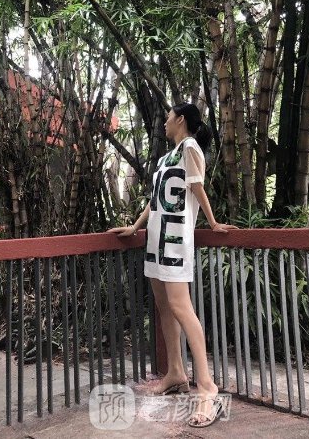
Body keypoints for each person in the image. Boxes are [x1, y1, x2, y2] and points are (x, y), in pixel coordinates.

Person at [107, 102, 238, 427]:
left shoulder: (191, 147)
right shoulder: (167, 157)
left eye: (168, 117)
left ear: (180, 119)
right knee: (165, 308)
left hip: (177, 240)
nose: (164, 122)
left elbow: (197, 187)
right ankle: (176, 373)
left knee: (181, 307)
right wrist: (135, 227)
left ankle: (207, 386)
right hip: (156, 239)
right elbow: (155, 200)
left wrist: (213, 222)